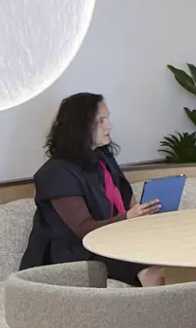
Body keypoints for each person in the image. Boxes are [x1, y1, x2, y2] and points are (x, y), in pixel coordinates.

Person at [19, 93, 166, 286]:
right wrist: (129, 217)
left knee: (163, 250)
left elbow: (127, 199)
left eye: (108, 118)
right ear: (80, 127)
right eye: (101, 121)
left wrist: (146, 211)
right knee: (146, 264)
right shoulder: (55, 173)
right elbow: (85, 230)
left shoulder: (103, 158)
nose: (109, 125)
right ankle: (161, 312)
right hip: (71, 256)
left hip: (108, 241)